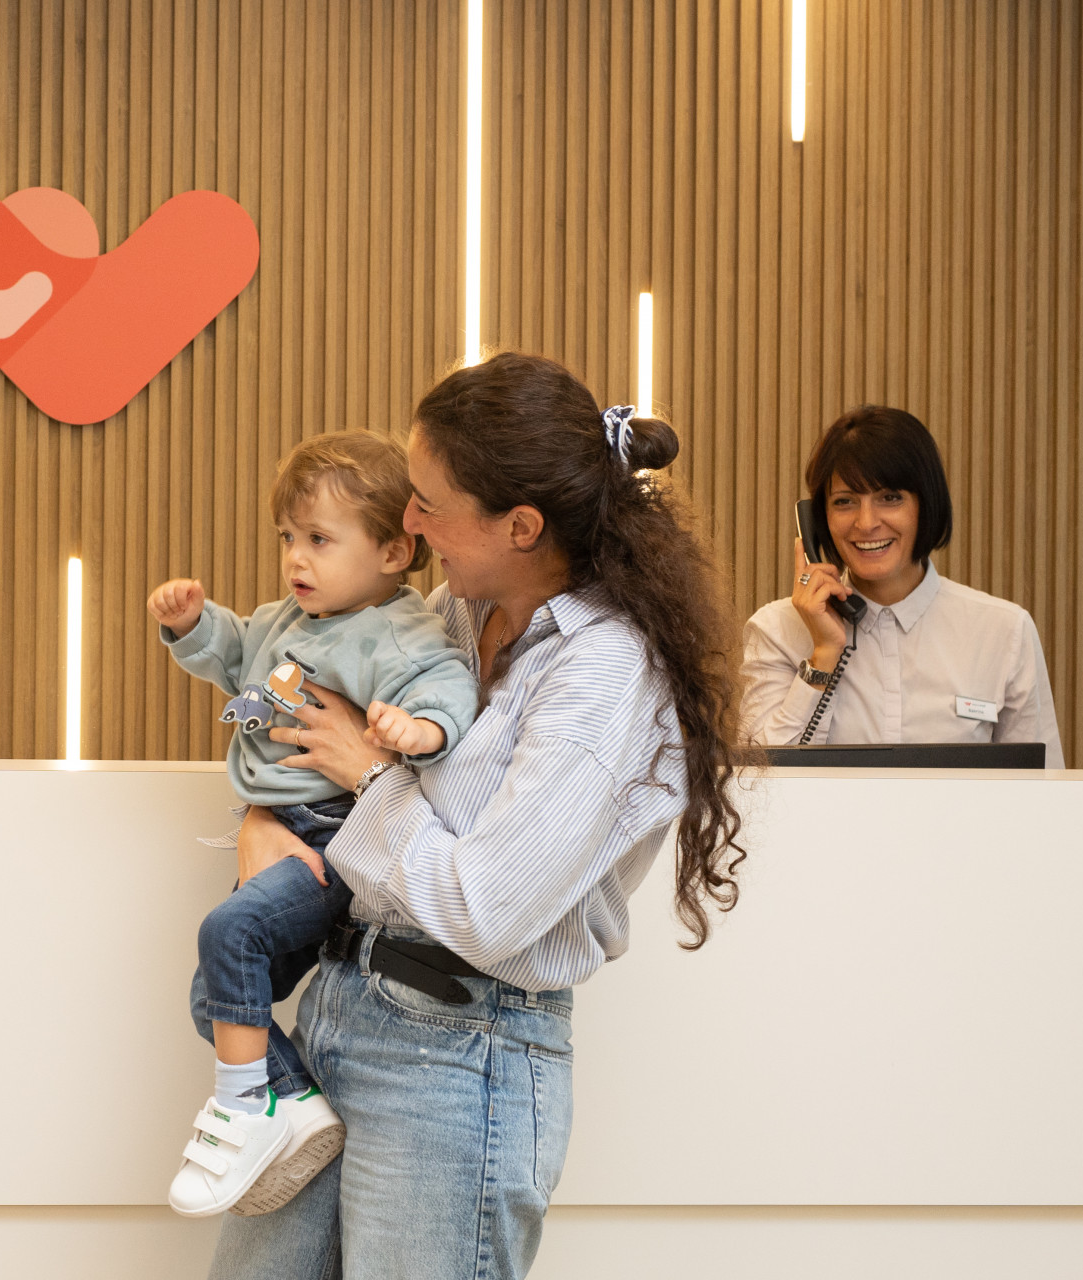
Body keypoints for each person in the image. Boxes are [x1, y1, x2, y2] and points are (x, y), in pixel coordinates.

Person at [206, 353, 748, 1280]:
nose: (409, 525)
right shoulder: (447, 617)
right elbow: (305, 732)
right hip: (337, 1009)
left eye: (428, 504)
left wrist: (369, 776)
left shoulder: (605, 673)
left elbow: (487, 908)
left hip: (463, 1057)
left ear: (520, 526)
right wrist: (263, 819)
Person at [148, 432, 478, 1220]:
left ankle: (246, 1108)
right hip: (283, 821)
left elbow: (446, 685)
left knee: (229, 935)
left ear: (394, 551)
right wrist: (192, 625)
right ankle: (294, 1102)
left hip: (336, 833)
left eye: (320, 540)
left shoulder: (393, 631)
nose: (296, 558)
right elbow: (233, 653)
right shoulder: (284, 620)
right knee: (215, 997)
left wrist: (420, 729)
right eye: (288, 538)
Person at [741, 405, 1063, 766]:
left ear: (926, 505)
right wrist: (824, 655)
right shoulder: (776, 631)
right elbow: (754, 783)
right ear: (818, 521)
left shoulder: (1005, 631)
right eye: (844, 502)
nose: (866, 523)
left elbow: (1043, 788)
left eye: (890, 498)